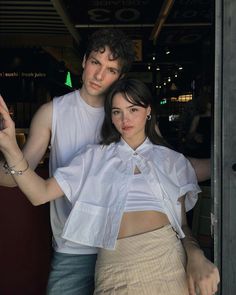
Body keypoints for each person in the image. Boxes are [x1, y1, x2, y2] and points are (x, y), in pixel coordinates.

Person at [0, 28, 211, 294]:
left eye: (111, 69)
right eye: (96, 63)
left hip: (129, 249)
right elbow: (21, 176)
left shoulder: (130, 115)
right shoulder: (54, 112)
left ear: (121, 77)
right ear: (85, 61)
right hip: (74, 246)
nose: (99, 75)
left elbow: (168, 165)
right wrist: (8, 146)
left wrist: (223, 165)